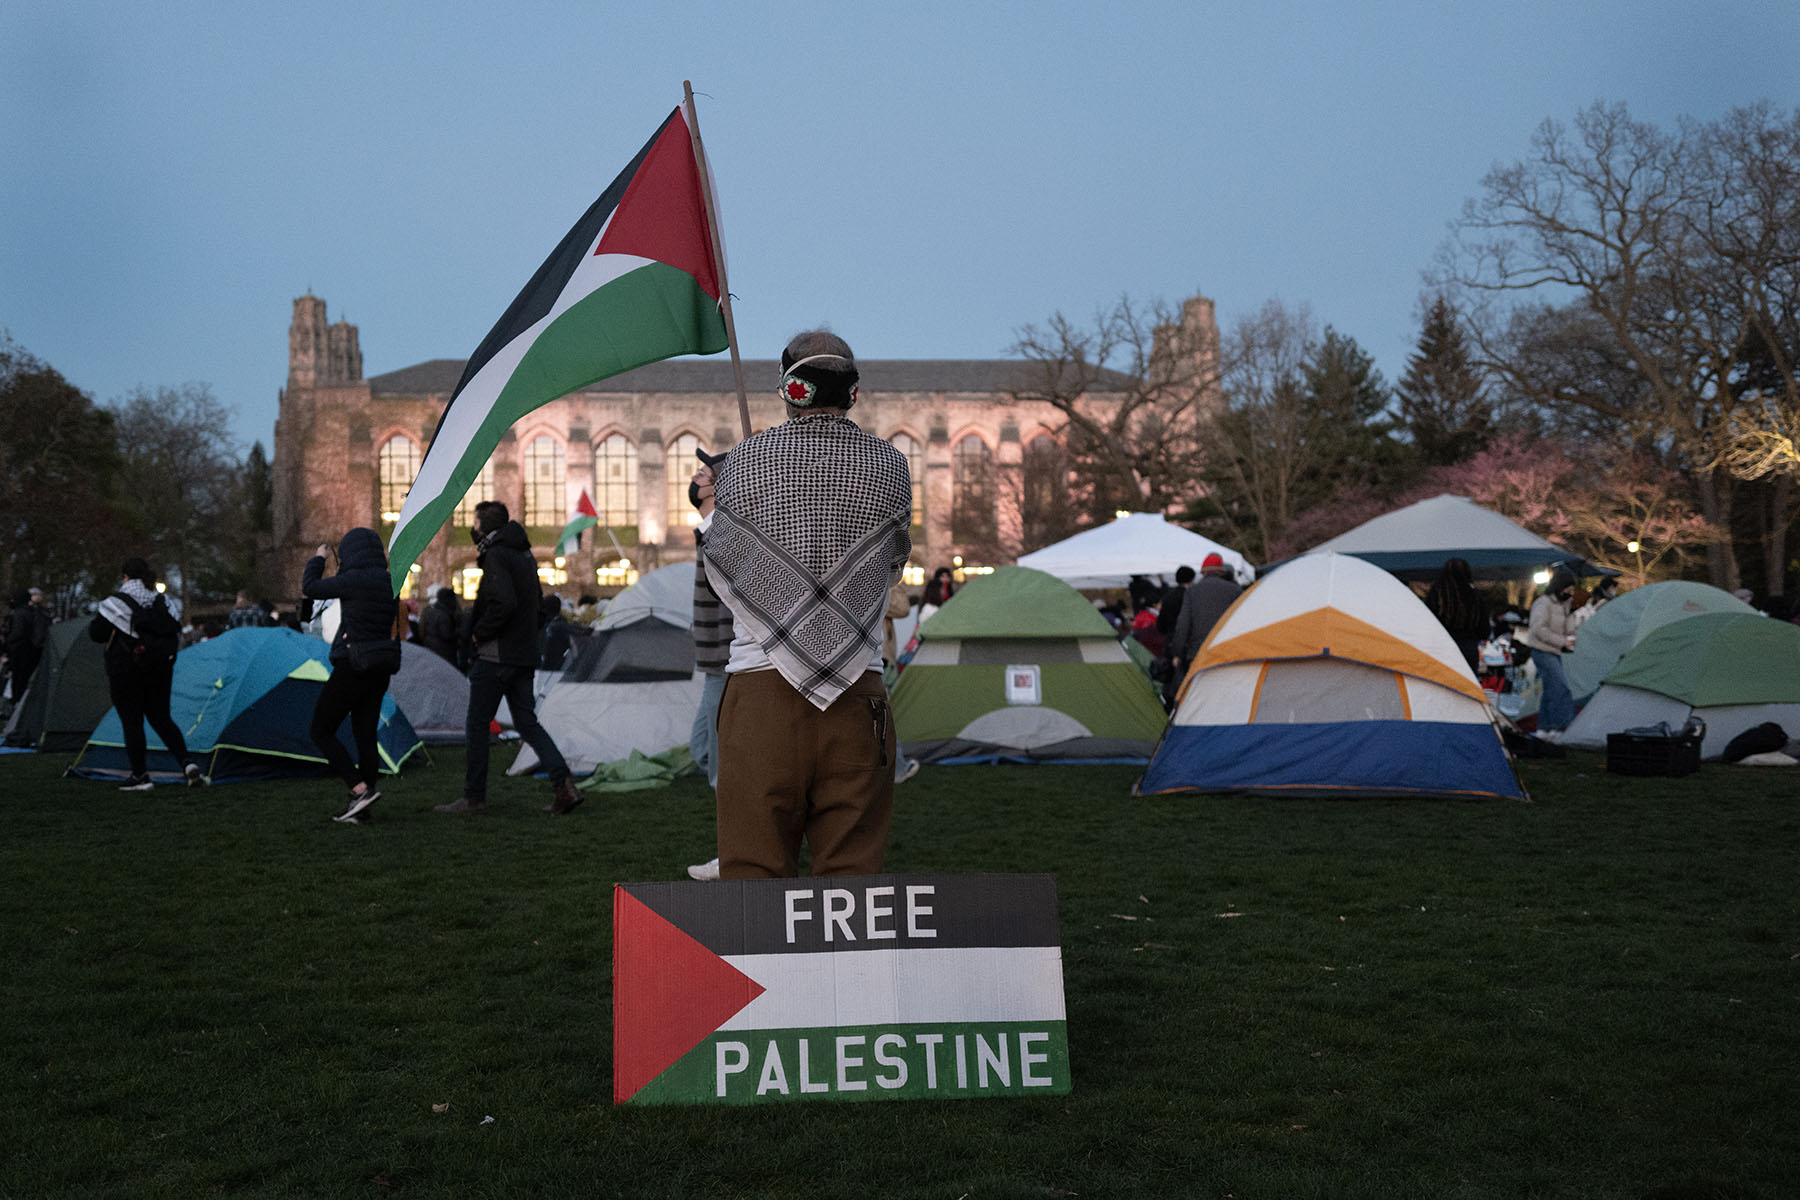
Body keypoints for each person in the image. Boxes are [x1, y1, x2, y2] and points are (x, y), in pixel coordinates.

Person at [701, 330, 912, 879]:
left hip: (758, 693)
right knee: (852, 883)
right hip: (859, 693)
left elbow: (721, 561)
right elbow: (890, 565)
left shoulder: (743, 463)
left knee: (751, 878)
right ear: (852, 393)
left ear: (788, 388)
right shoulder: (890, 466)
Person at [436, 500, 582, 816]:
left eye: (474, 523)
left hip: (496, 655)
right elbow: (536, 605)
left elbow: (504, 603)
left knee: (477, 723)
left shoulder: (498, 555)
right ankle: (564, 785)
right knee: (527, 723)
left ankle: (473, 797)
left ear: (485, 527)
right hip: (522, 654)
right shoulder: (523, 554)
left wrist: (479, 633)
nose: (472, 529)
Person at [299, 528, 400, 822]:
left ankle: (358, 790)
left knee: (320, 729)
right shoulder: (390, 580)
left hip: (353, 664)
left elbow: (310, 587)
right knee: (365, 733)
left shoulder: (353, 580)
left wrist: (319, 558)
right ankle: (362, 806)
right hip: (381, 666)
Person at [88, 559, 204, 790]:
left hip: (126, 669)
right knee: (161, 718)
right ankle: (186, 762)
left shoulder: (115, 603)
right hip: (160, 666)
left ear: (126, 577)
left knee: (133, 722)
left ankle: (140, 775)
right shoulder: (164, 602)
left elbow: (97, 633)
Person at [1166, 552, 1243, 684]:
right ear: (1221, 571)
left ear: (1203, 572)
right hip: (1227, 653)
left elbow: (1183, 625)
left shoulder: (1192, 591)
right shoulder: (1235, 590)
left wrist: (1177, 652)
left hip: (1198, 655)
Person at [1527, 566, 1580, 741]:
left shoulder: (1564, 604)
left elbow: (1568, 622)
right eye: (1569, 588)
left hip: (1554, 651)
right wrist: (1562, 641)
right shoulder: (1544, 603)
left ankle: (1545, 729)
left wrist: (1571, 633)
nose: (1571, 592)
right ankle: (1561, 727)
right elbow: (1538, 629)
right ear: (1560, 586)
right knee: (1560, 687)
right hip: (1542, 650)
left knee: (1550, 690)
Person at [1423, 556, 1487, 674]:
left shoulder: (1437, 594)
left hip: (1442, 647)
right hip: (1468, 648)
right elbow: (1484, 630)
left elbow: (1427, 622)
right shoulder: (1475, 596)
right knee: (1468, 686)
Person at [4, 587, 51, 702]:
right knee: (23, 680)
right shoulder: (38, 613)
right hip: (33, 652)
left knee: (18, 680)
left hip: (20, 651)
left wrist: (8, 643)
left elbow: (17, 633)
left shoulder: (20, 613)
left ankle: (15, 703)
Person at [419, 586, 462, 665]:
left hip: (431, 647)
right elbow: (446, 634)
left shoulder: (430, 611)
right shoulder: (444, 614)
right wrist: (458, 633)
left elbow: (422, 629)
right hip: (443, 651)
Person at [1154, 566, 1196, 640]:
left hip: (1170, 638)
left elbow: (1160, 625)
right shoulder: (1191, 597)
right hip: (1187, 640)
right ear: (1191, 579)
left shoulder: (1168, 596)